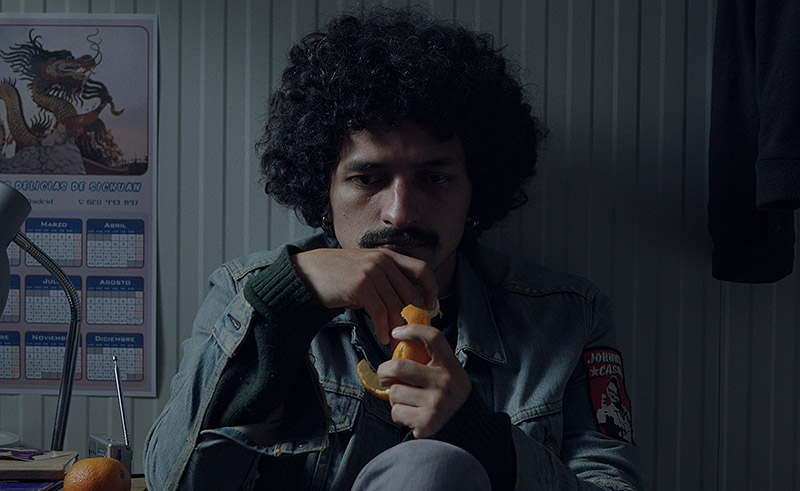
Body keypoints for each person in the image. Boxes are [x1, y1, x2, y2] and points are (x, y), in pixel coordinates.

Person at [144, 7, 643, 490]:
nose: (400, 213)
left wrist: (479, 436)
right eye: (368, 178)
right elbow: (173, 482)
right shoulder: (247, 293)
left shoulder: (567, 316)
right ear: (323, 192)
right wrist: (286, 303)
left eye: (435, 178)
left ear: (477, 191)